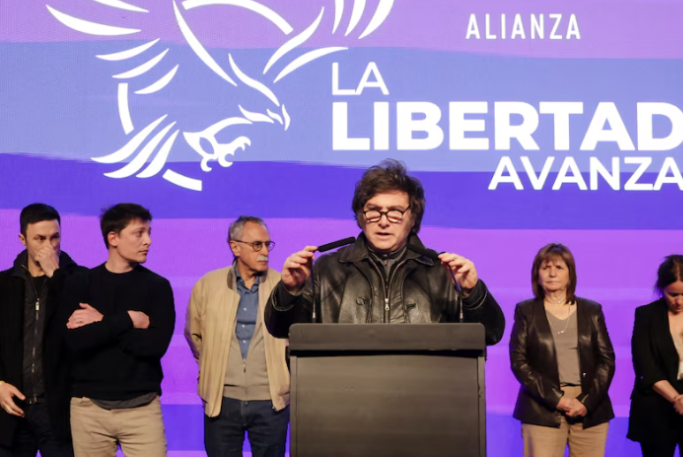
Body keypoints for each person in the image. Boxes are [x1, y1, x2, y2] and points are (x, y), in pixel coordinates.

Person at [265, 159, 505, 345]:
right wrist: (290, 291)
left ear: (413, 218)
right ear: (361, 217)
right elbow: (280, 330)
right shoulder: (326, 269)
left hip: (423, 392)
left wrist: (473, 293)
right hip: (345, 391)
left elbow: (490, 335)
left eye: (395, 212)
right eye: (373, 211)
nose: (383, 221)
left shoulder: (442, 271)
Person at [59, 204, 175, 457]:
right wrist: (127, 319)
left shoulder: (158, 287)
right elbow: (76, 342)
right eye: (139, 233)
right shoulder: (81, 283)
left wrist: (101, 321)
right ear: (113, 238)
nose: (148, 240)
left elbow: (153, 346)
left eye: (149, 232)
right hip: (89, 409)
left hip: (142, 409)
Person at [185, 216, 291, 457]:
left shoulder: (283, 286)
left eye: (267, 244)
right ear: (235, 247)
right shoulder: (208, 285)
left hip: (270, 401)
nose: (265, 251)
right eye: (257, 245)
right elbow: (194, 335)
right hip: (222, 401)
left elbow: (295, 338)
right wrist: (212, 367)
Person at [509, 243, 615, 457]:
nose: (552, 273)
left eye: (559, 267)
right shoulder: (526, 311)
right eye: (545, 268)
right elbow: (519, 362)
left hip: (590, 407)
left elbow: (606, 360)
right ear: (537, 274)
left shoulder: (592, 311)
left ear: (570, 274)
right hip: (542, 407)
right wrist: (557, 399)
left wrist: (586, 402)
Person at [0, 204, 81, 457]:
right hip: (11, 408)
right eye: (40, 239)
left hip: (59, 411)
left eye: (54, 237)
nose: (49, 246)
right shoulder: (4, 284)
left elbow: (84, 333)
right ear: (23, 239)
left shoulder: (80, 281)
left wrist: (55, 275)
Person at [627, 255, 683, 457]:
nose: (679, 301)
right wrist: (677, 399)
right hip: (656, 407)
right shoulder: (646, 316)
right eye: (672, 294)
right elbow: (646, 368)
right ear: (661, 288)